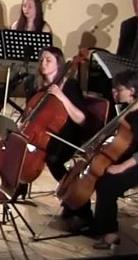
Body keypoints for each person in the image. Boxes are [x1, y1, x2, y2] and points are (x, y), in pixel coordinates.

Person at [67, 71, 138, 248]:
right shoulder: (127, 109)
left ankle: (110, 234)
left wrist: (121, 167)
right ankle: (96, 224)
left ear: (132, 90)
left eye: (118, 90)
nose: (114, 93)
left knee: (107, 184)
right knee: (99, 176)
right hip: (125, 157)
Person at [20, 47, 87, 195]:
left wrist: (62, 97)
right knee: (19, 146)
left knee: (52, 158)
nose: (43, 63)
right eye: (41, 60)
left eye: (48, 60)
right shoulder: (36, 85)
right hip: (43, 132)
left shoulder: (70, 85)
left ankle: (74, 194)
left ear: (59, 63)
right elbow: (29, 113)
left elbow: (81, 119)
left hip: (67, 134)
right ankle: (19, 185)